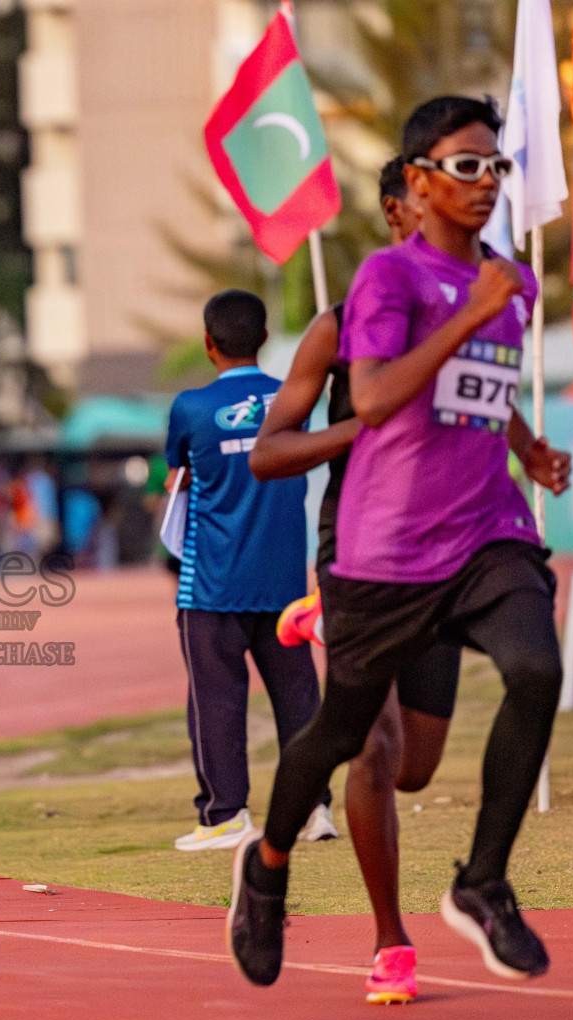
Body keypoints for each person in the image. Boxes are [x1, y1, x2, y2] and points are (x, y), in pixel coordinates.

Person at [228, 96, 573, 989]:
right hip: (374, 549)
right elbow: (350, 417)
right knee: (356, 742)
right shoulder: (366, 301)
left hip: (482, 533)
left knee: (529, 673)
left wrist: (526, 448)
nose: (485, 185)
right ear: (406, 199)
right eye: (464, 170)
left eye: (495, 167)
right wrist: (365, 432)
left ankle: (483, 882)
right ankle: (281, 875)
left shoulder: (507, 287)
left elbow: (480, 387)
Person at [164, 289, 335, 854]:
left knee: (216, 700)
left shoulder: (189, 408)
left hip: (211, 584)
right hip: (283, 578)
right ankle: (316, 809)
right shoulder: (295, 398)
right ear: (264, 340)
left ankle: (225, 815)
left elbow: (177, 480)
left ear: (208, 343)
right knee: (298, 697)